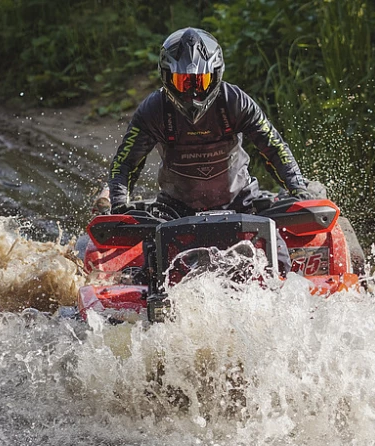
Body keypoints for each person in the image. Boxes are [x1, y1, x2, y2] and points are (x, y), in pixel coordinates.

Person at [104, 27, 315, 272]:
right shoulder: (153, 110)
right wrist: (119, 203)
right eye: (183, 82)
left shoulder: (236, 101)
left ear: (215, 75)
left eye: (200, 81)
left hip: (241, 203)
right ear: (166, 76)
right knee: (151, 271)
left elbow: (274, 147)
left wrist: (297, 187)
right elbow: (125, 163)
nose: (192, 93)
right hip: (174, 210)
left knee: (279, 264)